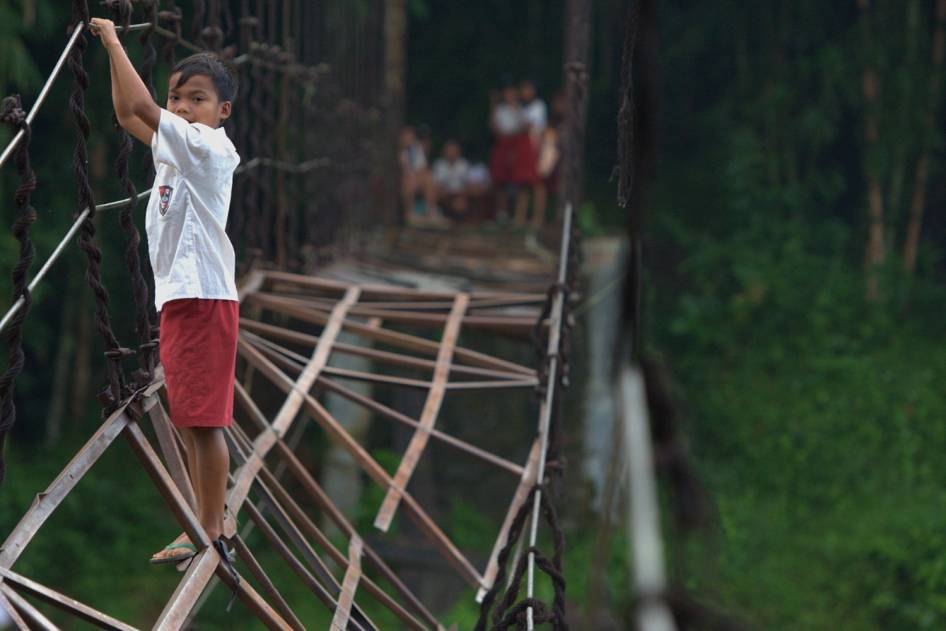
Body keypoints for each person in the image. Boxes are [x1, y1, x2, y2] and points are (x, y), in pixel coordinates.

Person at [91, 19, 240, 568]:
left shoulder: (207, 147)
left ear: (223, 111)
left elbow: (143, 107)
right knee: (193, 416)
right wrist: (113, 57)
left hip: (202, 297)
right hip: (183, 297)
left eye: (197, 99)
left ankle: (208, 529)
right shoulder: (178, 148)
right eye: (177, 98)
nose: (183, 108)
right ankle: (207, 520)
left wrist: (113, 41)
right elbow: (127, 114)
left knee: (204, 419)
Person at [489, 81, 537, 225]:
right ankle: (502, 213)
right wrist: (493, 105)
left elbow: (526, 126)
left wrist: (516, 109)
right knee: (500, 180)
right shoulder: (499, 110)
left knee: (522, 181)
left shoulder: (523, 108)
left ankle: (519, 216)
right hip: (503, 143)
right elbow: (494, 129)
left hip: (519, 144)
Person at [520, 79, 548, 228]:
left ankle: (538, 217)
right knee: (523, 183)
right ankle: (521, 217)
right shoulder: (523, 107)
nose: (525, 92)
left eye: (528, 89)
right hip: (523, 148)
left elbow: (533, 127)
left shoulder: (538, 106)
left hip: (534, 147)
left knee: (537, 183)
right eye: (523, 89)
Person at [399, 125, 440, 225]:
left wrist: (417, 177)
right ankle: (409, 214)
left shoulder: (417, 149)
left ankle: (430, 212)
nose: (409, 139)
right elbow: (402, 169)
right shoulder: (397, 151)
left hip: (416, 179)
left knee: (429, 178)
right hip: (403, 180)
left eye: (411, 136)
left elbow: (423, 168)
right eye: (406, 136)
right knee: (409, 182)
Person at [432, 139, 471, 219]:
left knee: (460, 202)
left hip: (460, 194)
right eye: (449, 150)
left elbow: (467, 183)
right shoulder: (439, 164)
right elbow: (436, 183)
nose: (451, 153)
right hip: (444, 194)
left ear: (458, 152)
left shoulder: (463, 164)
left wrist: (462, 195)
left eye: (453, 150)